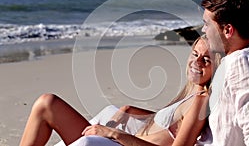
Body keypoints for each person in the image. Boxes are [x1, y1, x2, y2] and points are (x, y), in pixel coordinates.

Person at [20, 36, 222, 146]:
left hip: (121, 143)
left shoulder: (200, 101)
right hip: (125, 140)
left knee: (47, 104)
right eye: (195, 54)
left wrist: (113, 133)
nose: (196, 62)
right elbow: (166, 124)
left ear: (217, 66)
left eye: (206, 59)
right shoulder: (191, 94)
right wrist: (130, 110)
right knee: (47, 104)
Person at [196, 0, 249, 146]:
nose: (203, 30)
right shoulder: (237, 59)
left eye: (206, 24)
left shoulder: (244, 62)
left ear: (227, 30)